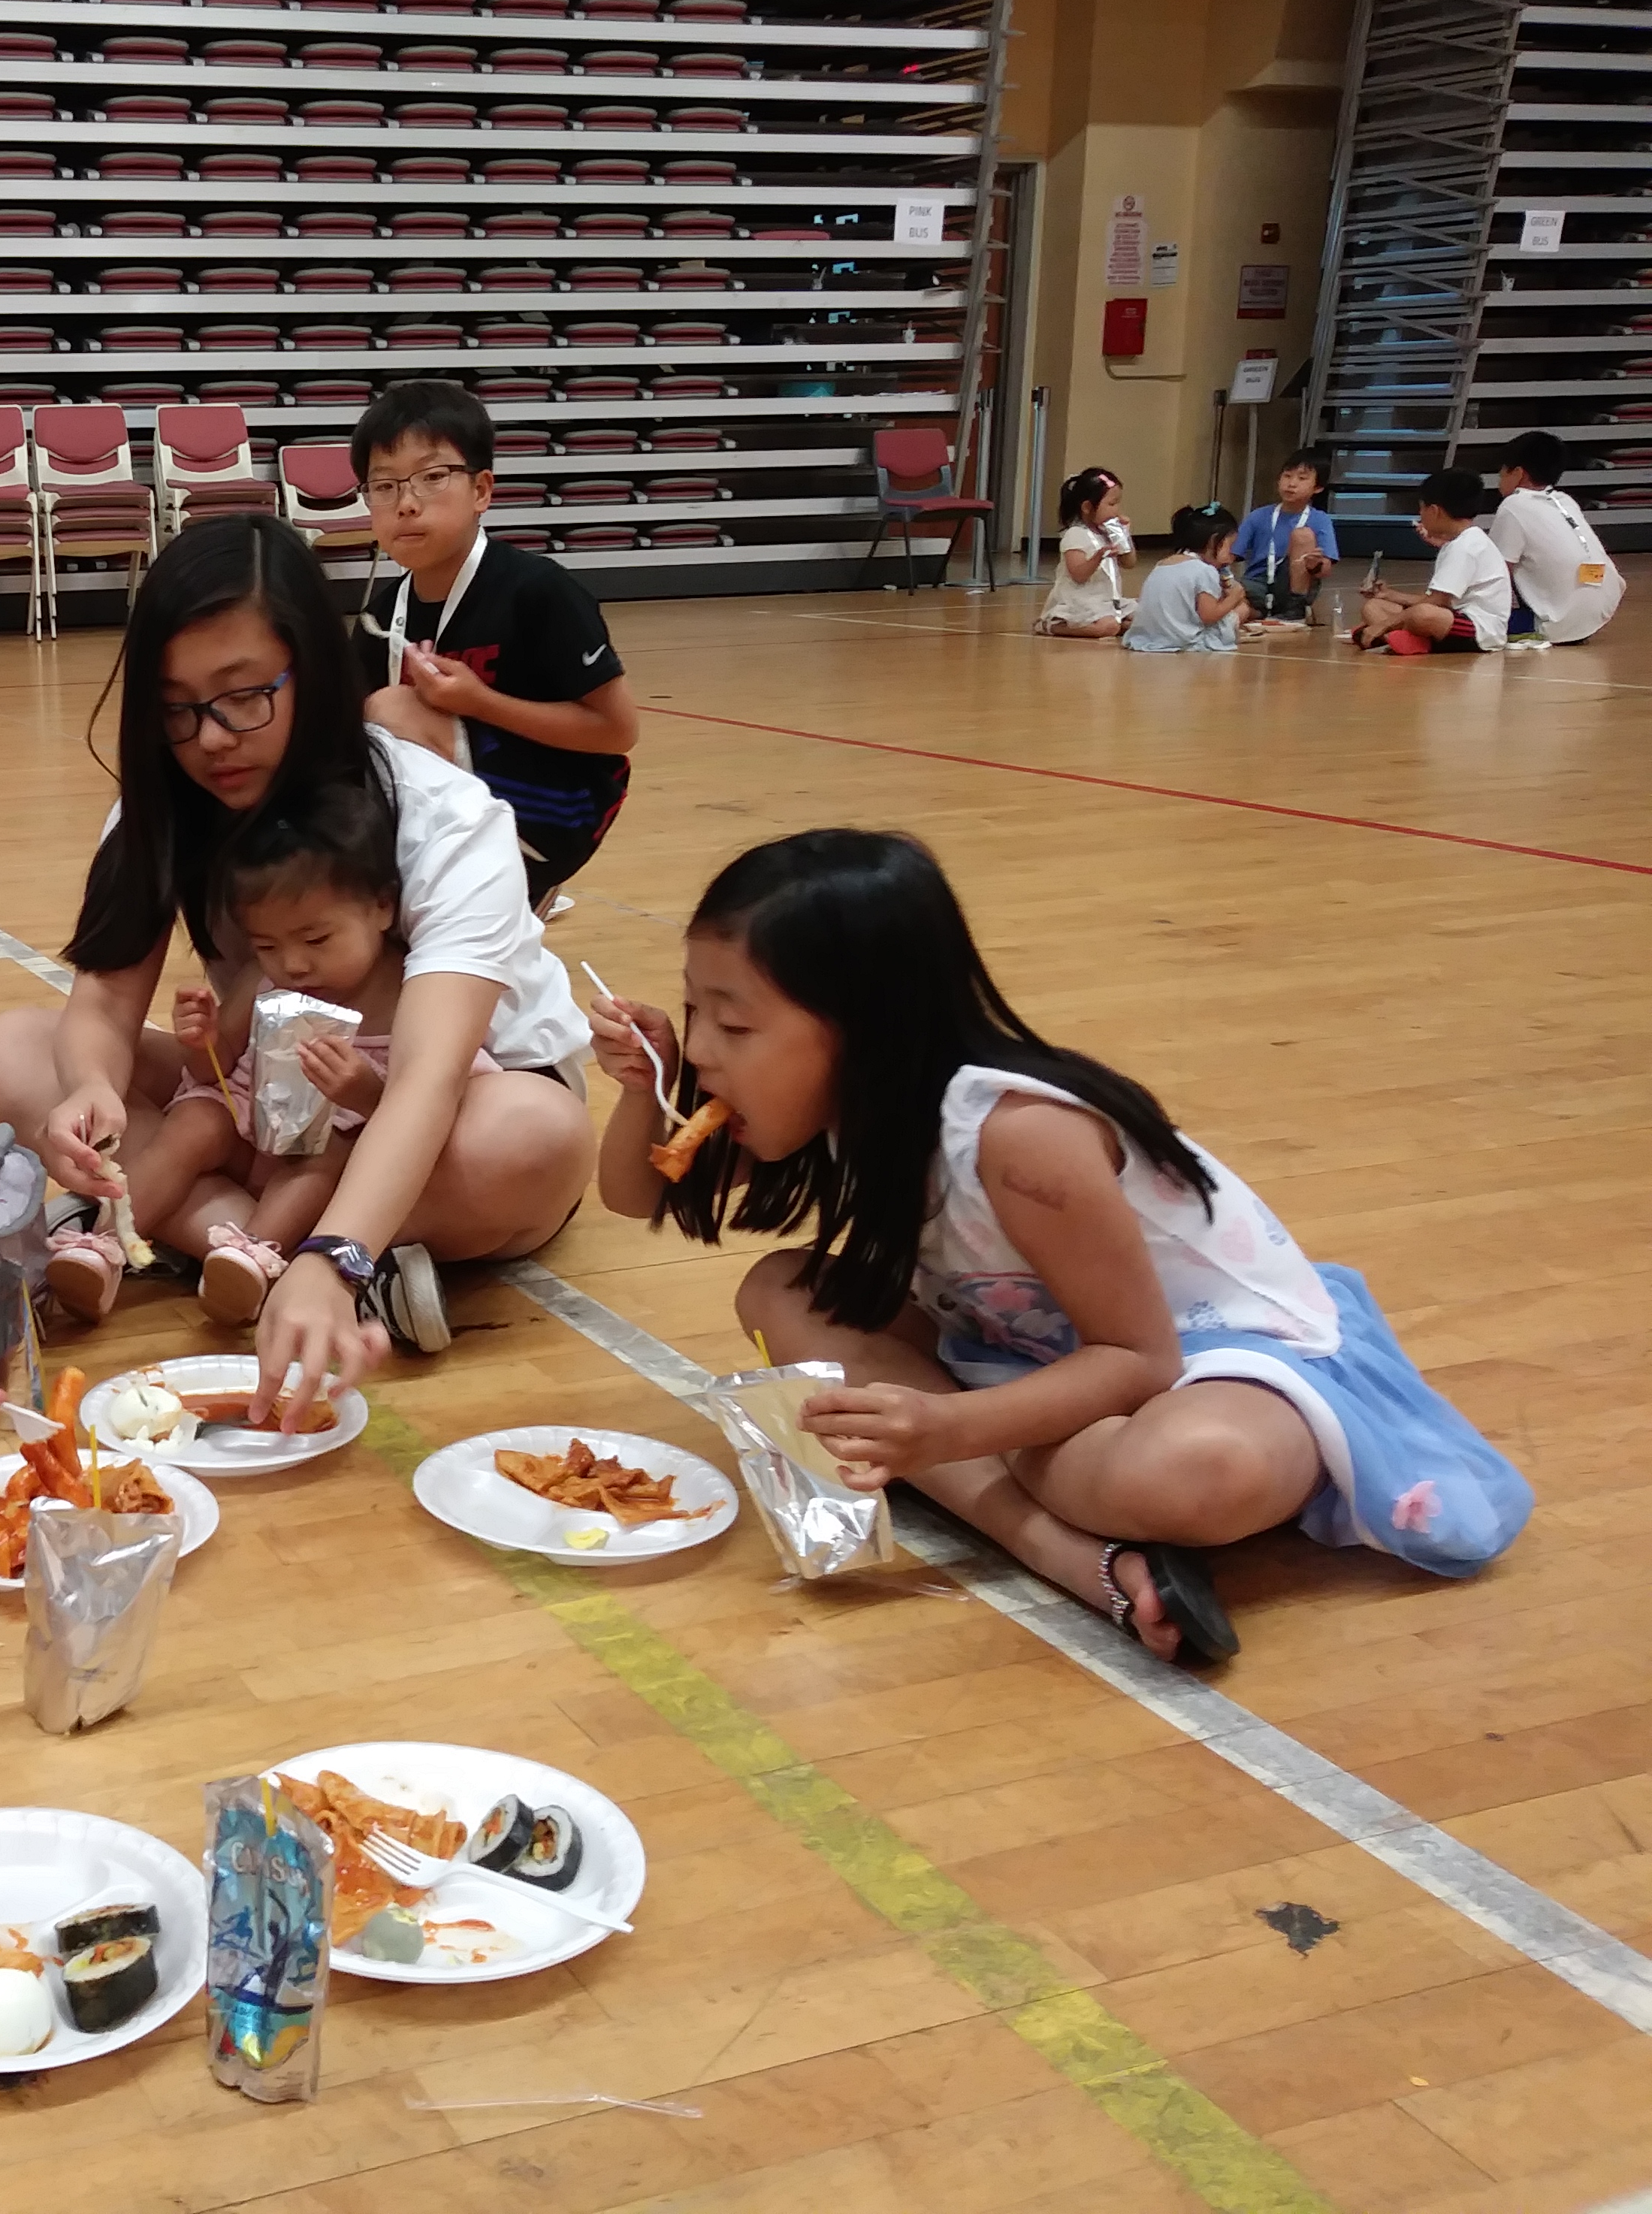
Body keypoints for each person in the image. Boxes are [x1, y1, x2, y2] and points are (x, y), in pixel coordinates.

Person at [587, 830, 1531, 1664]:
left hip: (1210, 1361)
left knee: (1191, 1473)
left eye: (734, 1023)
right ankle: (1065, 1551)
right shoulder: (839, 1106)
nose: (700, 1048)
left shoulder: (1020, 1136)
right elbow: (636, 1193)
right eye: (693, 1012)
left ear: (864, 1029)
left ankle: (1034, 1506)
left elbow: (1140, 1359)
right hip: (1026, 1362)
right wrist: (642, 1088)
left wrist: (947, 1431)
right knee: (778, 1293)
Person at [0, 514, 596, 1390]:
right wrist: (90, 1087)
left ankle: (220, 1238)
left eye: (243, 695)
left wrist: (334, 1255)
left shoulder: (441, 818)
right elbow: (105, 1003)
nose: (210, 737)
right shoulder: (162, 810)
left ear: (316, 674)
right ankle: (296, 1261)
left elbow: (426, 1078)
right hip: (266, 1099)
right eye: (177, 707)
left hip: (447, 1110)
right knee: (13, 1049)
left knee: (531, 1135)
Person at [126, 781, 496, 1328]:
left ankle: (251, 1257)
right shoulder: (264, 983)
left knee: (325, 1152)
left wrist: (364, 1093)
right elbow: (211, 1073)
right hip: (247, 1136)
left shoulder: (414, 995)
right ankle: (109, 1238)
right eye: (267, 946)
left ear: (382, 906)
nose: (294, 965)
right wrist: (201, 1040)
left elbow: (443, 1114)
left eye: (317, 940)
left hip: (324, 1176)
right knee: (195, 1120)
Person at [350, 380, 639, 914]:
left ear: (482, 490)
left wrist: (480, 703)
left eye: (432, 478)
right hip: (458, 799)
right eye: (384, 486)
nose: (406, 504)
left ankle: (517, 877)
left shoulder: (539, 592)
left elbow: (617, 731)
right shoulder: (378, 618)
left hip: (559, 805)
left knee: (391, 711)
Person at [1487, 430, 1625, 648]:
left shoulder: (1513, 505)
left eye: (1502, 472)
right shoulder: (1565, 500)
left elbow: (1496, 573)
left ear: (1519, 473)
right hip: (1601, 611)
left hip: (1556, 623)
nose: (1500, 479)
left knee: (1470, 618)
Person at [1351, 469, 1509, 655]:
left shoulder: (1466, 546)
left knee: (1422, 615)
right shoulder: (1459, 542)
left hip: (1481, 629)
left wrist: (1384, 624)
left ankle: (1402, 639)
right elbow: (1434, 600)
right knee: (1374, 607)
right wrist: (1390, 595)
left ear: (1434, 511)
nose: (1420, 515)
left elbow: (1436, 602)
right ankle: (1405, 640)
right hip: (1450, 614)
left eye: (1422, 509)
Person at [1228, 451, 1336, 628]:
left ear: (1318, 488)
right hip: (1257, 584)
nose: (1292, 484)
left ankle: (1295, 610)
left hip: (1293, 586)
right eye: (1287, 476)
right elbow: (1230, 554)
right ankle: (1245, 619)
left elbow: (1325, 569)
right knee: (1235, 600)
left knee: (1302, 536)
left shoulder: (1320, 520)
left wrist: (1314, 565)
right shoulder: (1258, 516)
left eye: (1302, 478)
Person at [1123, 504, 1247, 654]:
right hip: (1182, 640)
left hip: (1149, 638)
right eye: (1231, 547)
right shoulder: (1205, 571)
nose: (1233, 556)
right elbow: (1209, 615)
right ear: (1214, 542)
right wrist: (1234, 597)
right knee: (1242, 610)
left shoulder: (1162, 564)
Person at [1032, 467, 1135, 638]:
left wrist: (1125, 537)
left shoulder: (1107, 533)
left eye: (1118, 504)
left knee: (1145, 619)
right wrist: (1098, 556)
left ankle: (1117, 624)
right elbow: (1078, 575)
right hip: (1079, 603)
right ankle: (1052, 625)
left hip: (1106, 601)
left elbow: (1130, 563)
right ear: (1087, 507)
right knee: (1108, 627)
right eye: (1112, 504)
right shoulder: (1076, 534)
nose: (1117, 511)